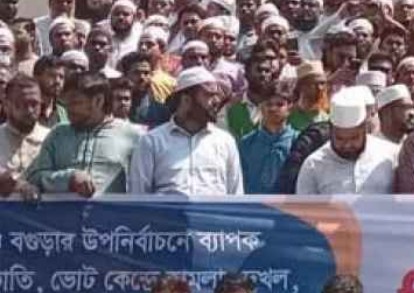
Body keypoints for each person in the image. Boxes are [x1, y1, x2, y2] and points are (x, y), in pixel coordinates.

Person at [22, 71, 142, 198]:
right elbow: (34, 178)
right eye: (67, 103)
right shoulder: (58, 134)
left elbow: (143, 187)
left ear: (98, 101)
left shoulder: (131, 136)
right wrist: (68, 179)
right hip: (60, 211)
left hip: (111, 211)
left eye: (76, 103)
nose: (68, 109)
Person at [128, 67, 243, 195]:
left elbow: (236, 195)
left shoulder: (225, 142)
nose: (216, 101)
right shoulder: (152, 142)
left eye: (216, 95)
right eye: (208, 95)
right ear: (186, 100)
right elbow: (138, 195)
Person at [296, 87, 399, 194]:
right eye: (340, 139)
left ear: (364, 129)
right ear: (331, 131)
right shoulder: (313, 165)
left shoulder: (391, 155)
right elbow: (304, 203)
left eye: (354, 138)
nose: (347, 145)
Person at [237, 82, 298, 194]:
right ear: (261, 107)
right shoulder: (247, 143)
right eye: (268, 104)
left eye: (279, 104)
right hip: (253, 203)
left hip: (287, 203)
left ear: (290, 108)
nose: (273, 109)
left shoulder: (298, 142)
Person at [0, 74, 50, 197]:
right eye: (21, 104)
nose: (29, 110)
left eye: (34, 104)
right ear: (6, 105)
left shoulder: (52, 139)